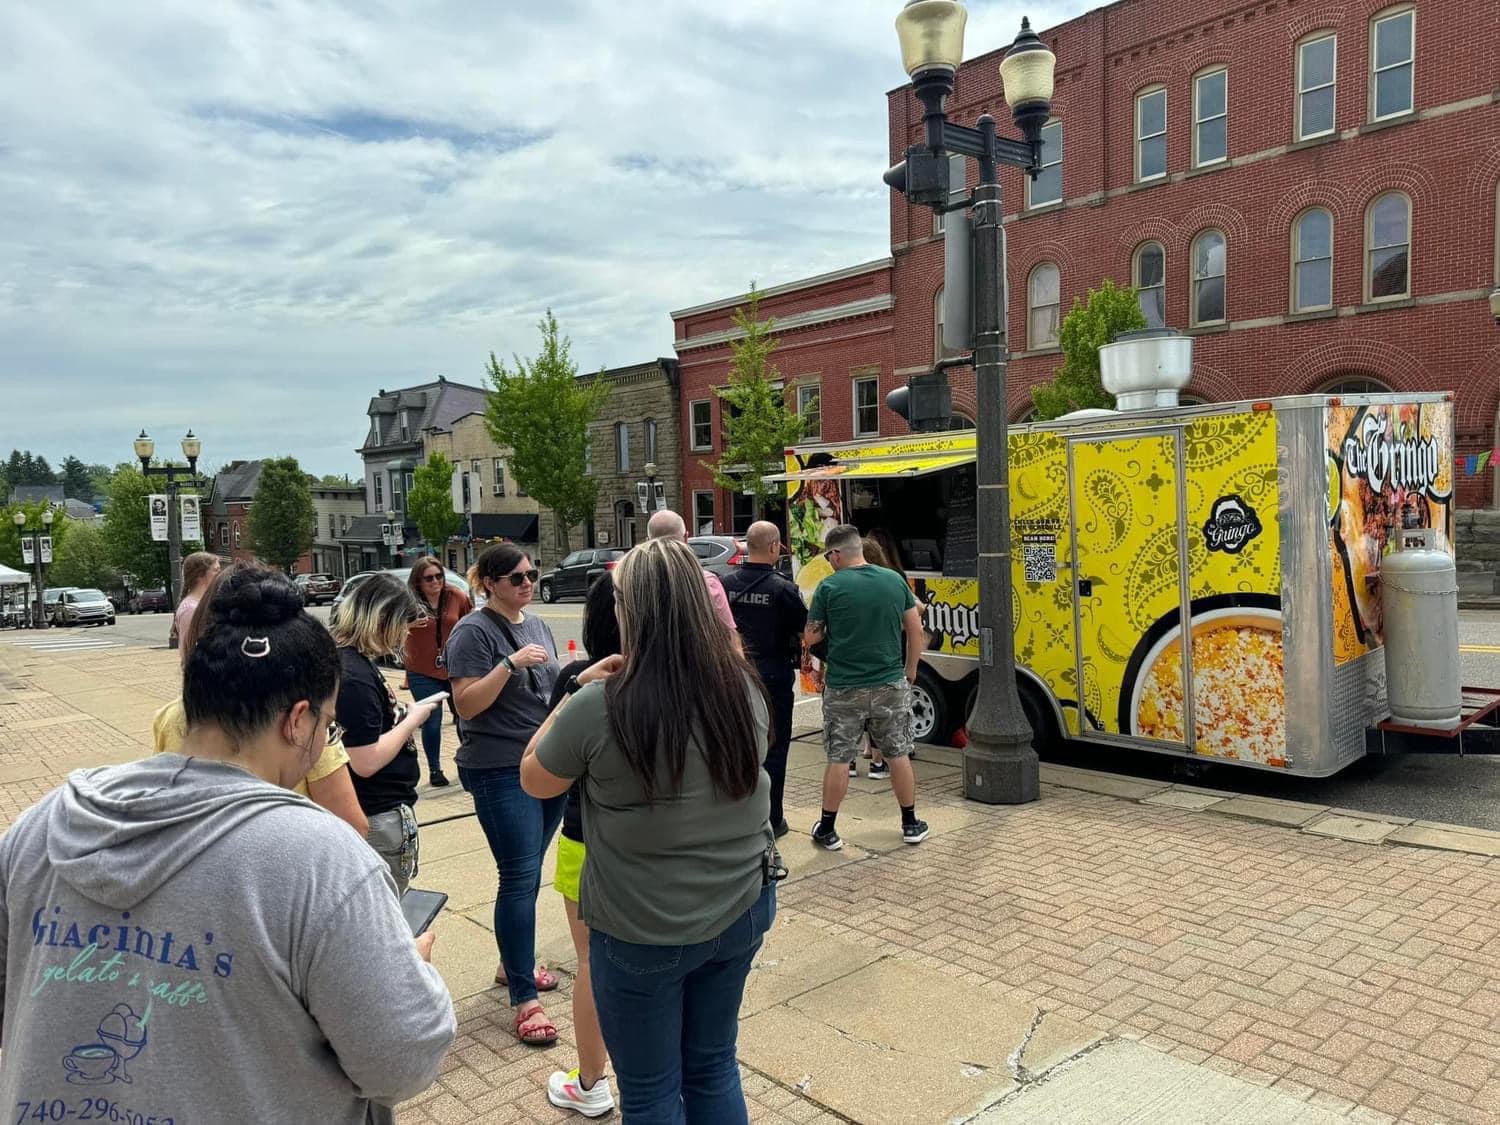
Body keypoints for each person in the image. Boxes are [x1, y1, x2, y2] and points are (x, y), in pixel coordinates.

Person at [0, 565, 456, 1124]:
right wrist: (415, 973)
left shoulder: (38, 827)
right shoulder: (321, 860)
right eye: (328, 725)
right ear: (297, 721)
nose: (324, 742)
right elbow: (401, 1062)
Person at [521, 537, 775, 1123]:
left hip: (642, 929)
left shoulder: (600, 703)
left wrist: (575, 693)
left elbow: (535, 779)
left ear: (627, 610)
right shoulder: (744, 689)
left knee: (652, 1091)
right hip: (740, 908)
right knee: (713, 1067)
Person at [446, 542, 565, 1045]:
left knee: (529, 871)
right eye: (516, 577)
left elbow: (555, 688)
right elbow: (467, 705)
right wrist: (509, 665)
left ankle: (510, 961)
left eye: (531, 574)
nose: (527, 583)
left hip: (547, 761)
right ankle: (524, 998)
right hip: (499, 768)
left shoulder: (537, 624)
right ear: (489, 583)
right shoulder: (472, 631)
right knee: (518, 876)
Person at [152, 563, 368, 838]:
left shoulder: (169, 717)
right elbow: (352, 826)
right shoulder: (306, 726)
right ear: (297, 721)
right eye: (328, 726)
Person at [539, 573, 621, 1118]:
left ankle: (592, 1082)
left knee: (593, 961)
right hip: (663, 845)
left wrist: (575, 689)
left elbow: (540, 770)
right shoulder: (693, 676)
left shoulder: (583, 680)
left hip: (588, 839)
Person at [805, 524, 930, 849]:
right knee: (898, 753)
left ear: (836, 554)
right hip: (890, 682)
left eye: (828, 556)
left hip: (844, 686)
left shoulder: (829, 587)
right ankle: (910, 823)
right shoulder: (894, 581)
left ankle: (828, 829)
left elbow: (811, 636)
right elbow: (915, 629)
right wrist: (911, 670)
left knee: (839, 756)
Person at [331, 574, 437, 895]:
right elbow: (365, 759)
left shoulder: (352, 664)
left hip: (378, 811)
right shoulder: (355, 676)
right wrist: (413, 718)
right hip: (377, 815)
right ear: (382, 620)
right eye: (402, 623)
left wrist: (397, 713)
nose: (405, 633)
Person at [720, 520, 807, 839]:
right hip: (773, 675)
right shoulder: (783, 589)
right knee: (774, 747)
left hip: (732, 673)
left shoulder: (725, 584)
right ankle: (772, 818)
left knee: (734, 744)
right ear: (774, 548)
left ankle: (735, 813)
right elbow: (806, 630)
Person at [404, 556, 473, 788]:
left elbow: (472, 625)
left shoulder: (457, 597)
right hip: (421, 671)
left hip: (456, 668)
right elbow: (384, 628)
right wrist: (407, 626)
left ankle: (469, 765)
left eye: (439, 576)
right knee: (432, 721)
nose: (435, 581)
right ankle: (435, 770)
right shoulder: (407, 602)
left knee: (466, 718)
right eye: (429, 578)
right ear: (418, 582)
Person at [646, 508, 740, 641]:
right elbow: (730, 637)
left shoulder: (630, 585)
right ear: (686, 537)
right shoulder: (707, 582)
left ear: (648, 541)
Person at [172, 551, 221, 657]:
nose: (220, 575)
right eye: (215, 570)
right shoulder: (190, 608)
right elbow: (190, 650)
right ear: (200, 575)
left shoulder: (206, 602)